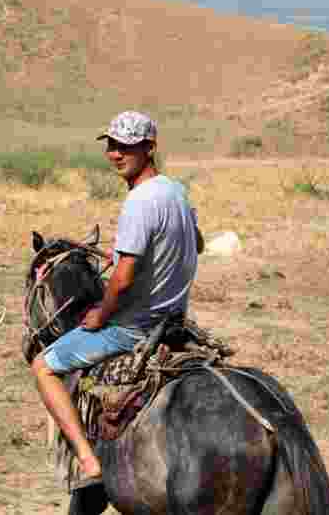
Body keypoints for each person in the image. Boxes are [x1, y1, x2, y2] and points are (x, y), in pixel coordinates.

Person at [30, 110, 204, 489]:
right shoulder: (176, 191)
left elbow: (122, 281)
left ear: (149, 147)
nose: (115, 154)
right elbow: (198, 243)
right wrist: (134, 254)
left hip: (135, 328)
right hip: (176, 319)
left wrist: (101, 313)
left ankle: (87, 460)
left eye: (126, 146)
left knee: (43, 367)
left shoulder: (139, 201)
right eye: (111, 145)